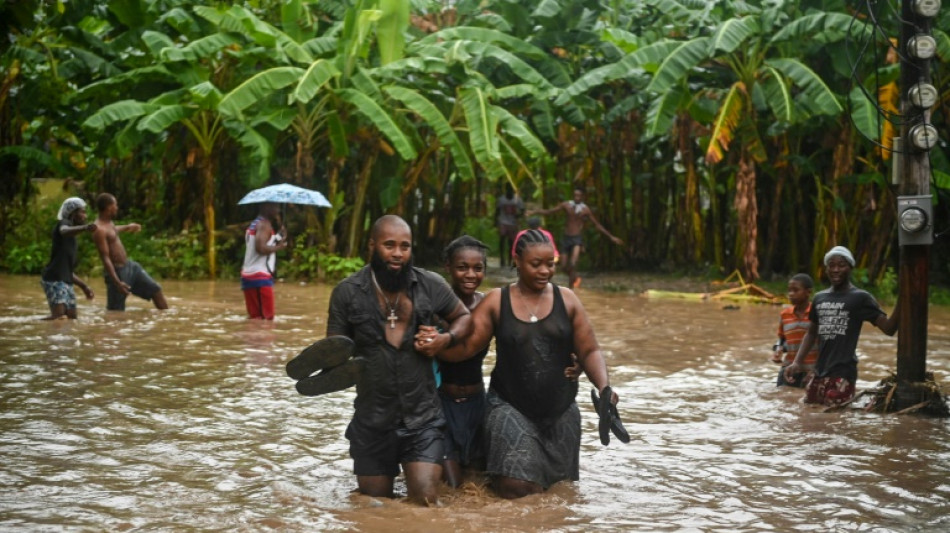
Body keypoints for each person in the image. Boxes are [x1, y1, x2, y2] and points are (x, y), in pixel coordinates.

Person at [416, 229, 619, 499]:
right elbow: (467, 348)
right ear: (517, 261)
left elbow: (590, 349)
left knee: (561, 491)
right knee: (517, 489)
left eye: (550, 264)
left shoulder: (568, 299)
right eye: (536, 264)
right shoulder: (497, 301)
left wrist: (604, 387)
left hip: (560, 408)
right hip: (510, 406)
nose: (544, 271)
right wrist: (435, 346)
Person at [325, 215, 472, 505]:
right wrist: (332, 367)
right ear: (372, 246)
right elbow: (334, 349)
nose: (397, 253)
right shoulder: (347, 293)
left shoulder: (430, 284)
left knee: (426, 498)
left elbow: (463, 317)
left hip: (422, 418)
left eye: (405, 246)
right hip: (372, 421)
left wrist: (445, 339)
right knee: (374, 505)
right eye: (389, 245)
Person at [784, 246, 899, 406]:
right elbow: (811, 333)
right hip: (818, 373)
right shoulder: (819, 298)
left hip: (843, 374)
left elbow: (889, 328)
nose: (836, 269)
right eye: (832, 265)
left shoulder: (860, 298)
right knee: (808, 422)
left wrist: (903, 300)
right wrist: (797, 362)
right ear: (827, 269)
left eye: (841, 265)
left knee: (835, 423)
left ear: (850, 268)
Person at [529, 186, 623, 289]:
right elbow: (550, 211)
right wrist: (535, 212)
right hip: (566, 238)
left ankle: (571, 289)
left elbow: (597, 224)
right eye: (575, 195)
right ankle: (575, 278)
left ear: (582, 197)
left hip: (577, 239)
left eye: (579, 196)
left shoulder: (585, 209)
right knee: (564, 266)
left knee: (573, 264)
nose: (576, 197)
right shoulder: (567, 205)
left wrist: (611, 237)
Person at [92, 193, 168, 311]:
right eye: (115, 205)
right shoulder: (99, 230)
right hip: (117, 272)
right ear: (108, 207)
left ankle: (166, 320)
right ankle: (110, 329)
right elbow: (105, 258)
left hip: (129, 266)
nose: (117, 208)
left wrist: (127, 227)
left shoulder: (108, 223)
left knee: (156, 290)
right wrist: (117, 282)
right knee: (116, 312)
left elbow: (113, 230)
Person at [40, 197, 97, 320]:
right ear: (73, 213)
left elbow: (67, 271)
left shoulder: (73, 239)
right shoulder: (64, 223)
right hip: (54, 279)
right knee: (59, 317)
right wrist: (85, 228)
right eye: (82, 212)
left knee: (72, 317)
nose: (85, 216)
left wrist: (84, 287)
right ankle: (32, 325)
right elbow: (64, 231)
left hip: (65, 281)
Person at [240, 202, 288, 320]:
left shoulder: (255, 223)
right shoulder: (264, 224)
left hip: (248, 275)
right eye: (275, 206)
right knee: (268, 319)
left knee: (255, 319)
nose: (278, 210)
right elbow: (261, 248)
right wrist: (280, 247)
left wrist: (277, 238)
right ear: (265, 207)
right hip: (260, 277)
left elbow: (263, 243)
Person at [771, 273, 818, 387]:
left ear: (808, 292)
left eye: (796, 290)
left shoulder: (817, 313)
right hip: (788, 370)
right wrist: (778, 350)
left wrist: (816, 370)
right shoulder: (785, 314)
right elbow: (782, 339)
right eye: (789, 290)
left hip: (811, 371)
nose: (791, 294)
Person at [495, 183, 524, 268]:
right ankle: (502, 259)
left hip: (513, 223)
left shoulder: (517, 200)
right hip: (503, 222)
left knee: (511, 242)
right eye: (508, 190)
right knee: (502, 240)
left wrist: (518, 215)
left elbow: (522, 210)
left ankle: (509, 259)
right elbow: (497, 211)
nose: (509, 192)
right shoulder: (502, 199)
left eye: (511, 190)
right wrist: (495, 222)